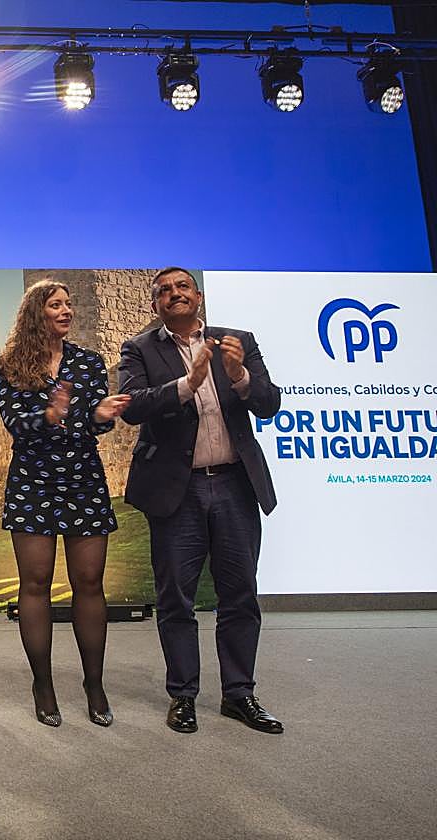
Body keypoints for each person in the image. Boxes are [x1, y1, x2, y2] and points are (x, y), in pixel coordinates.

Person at [118, 267, 283, 735]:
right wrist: (186, 385)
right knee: (176, 598)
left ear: (199, 296)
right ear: (155, 305)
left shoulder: (238, 341)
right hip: (178, 491)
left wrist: (241, 376)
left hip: (234, 485)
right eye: (164, 291)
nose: (174, 294)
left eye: (182, 287)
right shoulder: (139, 348)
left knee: (240, 593)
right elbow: (133, 405)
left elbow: (270, 404)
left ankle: (239, 694)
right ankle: (183, 695)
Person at [0, 280, 130, 728]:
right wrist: (48, 415)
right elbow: (14, 423)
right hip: (33, 481)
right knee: (35, 584)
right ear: (37, 312)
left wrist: (100, 416)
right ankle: (43, 685)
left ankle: (95, 684)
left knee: (89, 583)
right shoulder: (10, 365)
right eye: (56, 305)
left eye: (69, 304)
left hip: (82, 478)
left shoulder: (89, 362)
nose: (67, 310)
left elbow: (93, 422)